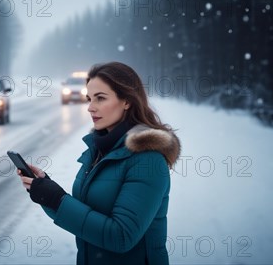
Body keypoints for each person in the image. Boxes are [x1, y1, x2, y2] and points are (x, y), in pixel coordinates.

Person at [17, 62, 181, 265]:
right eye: (89, 99)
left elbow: (121, 236)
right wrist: (46, 194)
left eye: (100, 98)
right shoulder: (99, 151)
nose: (90, 107)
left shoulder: (147, 158)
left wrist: (57, 200)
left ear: (127, 101)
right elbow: (87, 217)